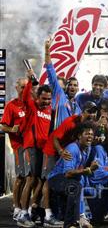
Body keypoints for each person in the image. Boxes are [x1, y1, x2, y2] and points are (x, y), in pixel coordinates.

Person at [17, 70, 59, 228]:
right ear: (37, 97)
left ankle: (32, 208)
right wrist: (30, 81)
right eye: (44, 99)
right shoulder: (31, 107)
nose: (47, 102)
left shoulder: (50, 110)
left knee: (42, 180)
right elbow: (27, 95)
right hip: (31, 147)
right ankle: (22, 214)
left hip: (44, 149)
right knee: (31, 179)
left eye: (49, 99)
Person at [48, 121, 99, 228]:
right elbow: (67, 173)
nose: (90, 137)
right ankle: (71, 223)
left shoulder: (88, 148)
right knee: (75, 186)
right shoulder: (72, 148)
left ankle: (82, 217)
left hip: (69, 179)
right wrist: (88, 169)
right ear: (79, 136)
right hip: (56, 178)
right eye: (87, 134)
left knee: (83, 184)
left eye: (91, 135)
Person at [0, 77, 27, 221]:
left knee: (31, 179)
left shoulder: (32, 104)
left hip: (33, 147)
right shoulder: (11, 106)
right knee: (21, 177)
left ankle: (25, 207)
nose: (24, 90)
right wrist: (12, 128)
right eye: (22, 87)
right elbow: (2, 126)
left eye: (26, 87)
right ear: (17, 88)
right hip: (19, 146)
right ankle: (16, 207)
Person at [44, 39, 81, 130]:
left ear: (78, 89)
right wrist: (47, 50)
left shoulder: (78, 109)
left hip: (69, 141)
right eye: (70, 84)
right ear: (66, 87)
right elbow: (50, 71)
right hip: (55, 138)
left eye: (75, 85)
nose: (72, 86)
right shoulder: (60, 95)